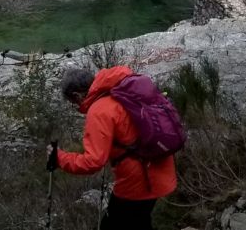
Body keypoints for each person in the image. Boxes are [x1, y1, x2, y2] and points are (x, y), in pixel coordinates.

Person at [48, 66, 177, 230]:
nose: (75, 106)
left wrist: (59, 158)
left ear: (77, 95)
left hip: (138, 182)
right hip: (160, 167)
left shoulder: (99, 110)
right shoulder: (120, 92)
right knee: (140, 220)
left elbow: (92, 162)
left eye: (73, 103)